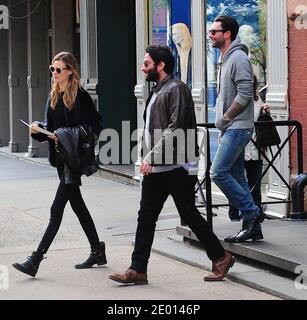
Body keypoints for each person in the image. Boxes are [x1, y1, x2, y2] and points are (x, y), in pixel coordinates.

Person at [109, 45, 235, 285]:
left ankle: (220, 257)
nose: (142, 67)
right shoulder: (157, 90)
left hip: (177, 165)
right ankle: (138, 270)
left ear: (160, 65)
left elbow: (174, 128)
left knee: (188, 213)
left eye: (146, 63)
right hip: (159, 165)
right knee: (146, 216)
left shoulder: (177, 89)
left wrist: (150, 157)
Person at [12, 52, 106, 278]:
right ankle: (97, 250)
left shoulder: (81, 96)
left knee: (56, 211)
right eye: (52, 69)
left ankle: (35, 259)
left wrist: (62, 135)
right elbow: (51, 129)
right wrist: (38, 129)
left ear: (70, 71)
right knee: (78, 206)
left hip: (73, 161)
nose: (54, 74)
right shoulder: (54, 95)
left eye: (58, 70)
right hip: (60, 159)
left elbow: (95, 126)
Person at [209, 15, 263, 243]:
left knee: (218, 172)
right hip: (231, 127)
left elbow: (245, 94)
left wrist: (226, 118)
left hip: (238, 127)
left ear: (227, 34)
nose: (210, 35)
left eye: (214, 31)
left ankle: (252, 213)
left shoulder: (238, 58)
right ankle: (252, 227)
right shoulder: (226, 59)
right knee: (237, 175)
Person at [228, 76, 268, 224]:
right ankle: (234, 213)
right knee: (237, 182)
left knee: (255, 184)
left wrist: (265, 112)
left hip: (255, 149)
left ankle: (257, 214)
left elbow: (261, 124)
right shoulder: (234, 102)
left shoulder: (258, 102)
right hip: (238, 148)